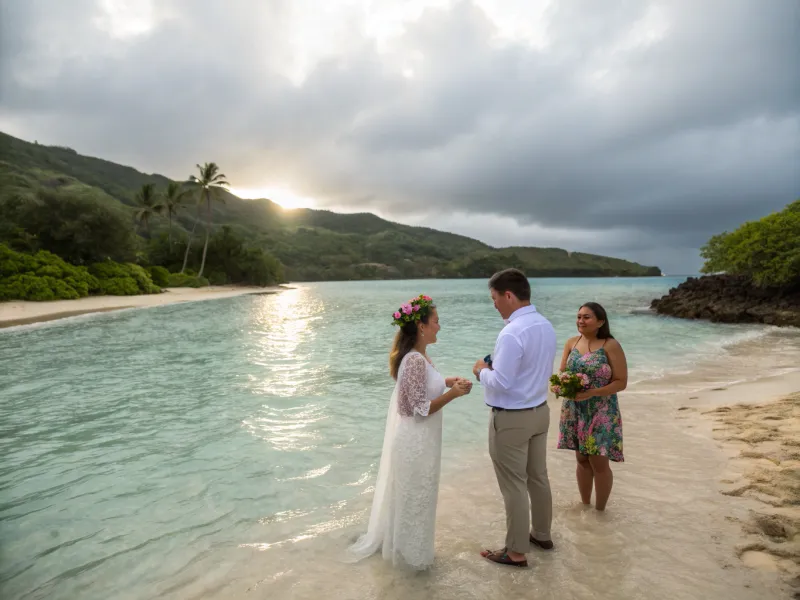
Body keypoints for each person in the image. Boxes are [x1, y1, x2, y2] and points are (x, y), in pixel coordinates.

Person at [345, 294, 472, 570]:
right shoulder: (414, 360)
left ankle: (410, 553)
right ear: (422, 326)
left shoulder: (419, 356)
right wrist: (454, 394)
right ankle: (412, 561)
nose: (440, 326)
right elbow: (420, 408)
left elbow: (423, 387)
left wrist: (447, 381)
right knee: (416, 500)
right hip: (416, 442)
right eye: (436, 321)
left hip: (420, 440)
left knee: (417, 498)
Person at [472, 269, 557, 568]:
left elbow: (502, 382)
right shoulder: (545, 325)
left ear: (508, 295)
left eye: (494, 299)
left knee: (513, 485)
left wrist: (481, 370)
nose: (494, 304)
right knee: (538, 477)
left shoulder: (512, 331)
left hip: (512, 419)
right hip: (540, 412)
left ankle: (516, 551)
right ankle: (542, 535)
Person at [556, 302, 627, 511]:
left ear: (600, 321)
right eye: (578, 316)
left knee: (599, 461)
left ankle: (600, 511)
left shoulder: (610, 345)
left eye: (586, 317)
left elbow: (621, 381)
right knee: (581, 458)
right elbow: (561, 373)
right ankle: (585, 506)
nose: (580, 321)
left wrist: (592, 392)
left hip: (602, 409)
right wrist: (559, 386)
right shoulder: (571, 343)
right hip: (574, 409)